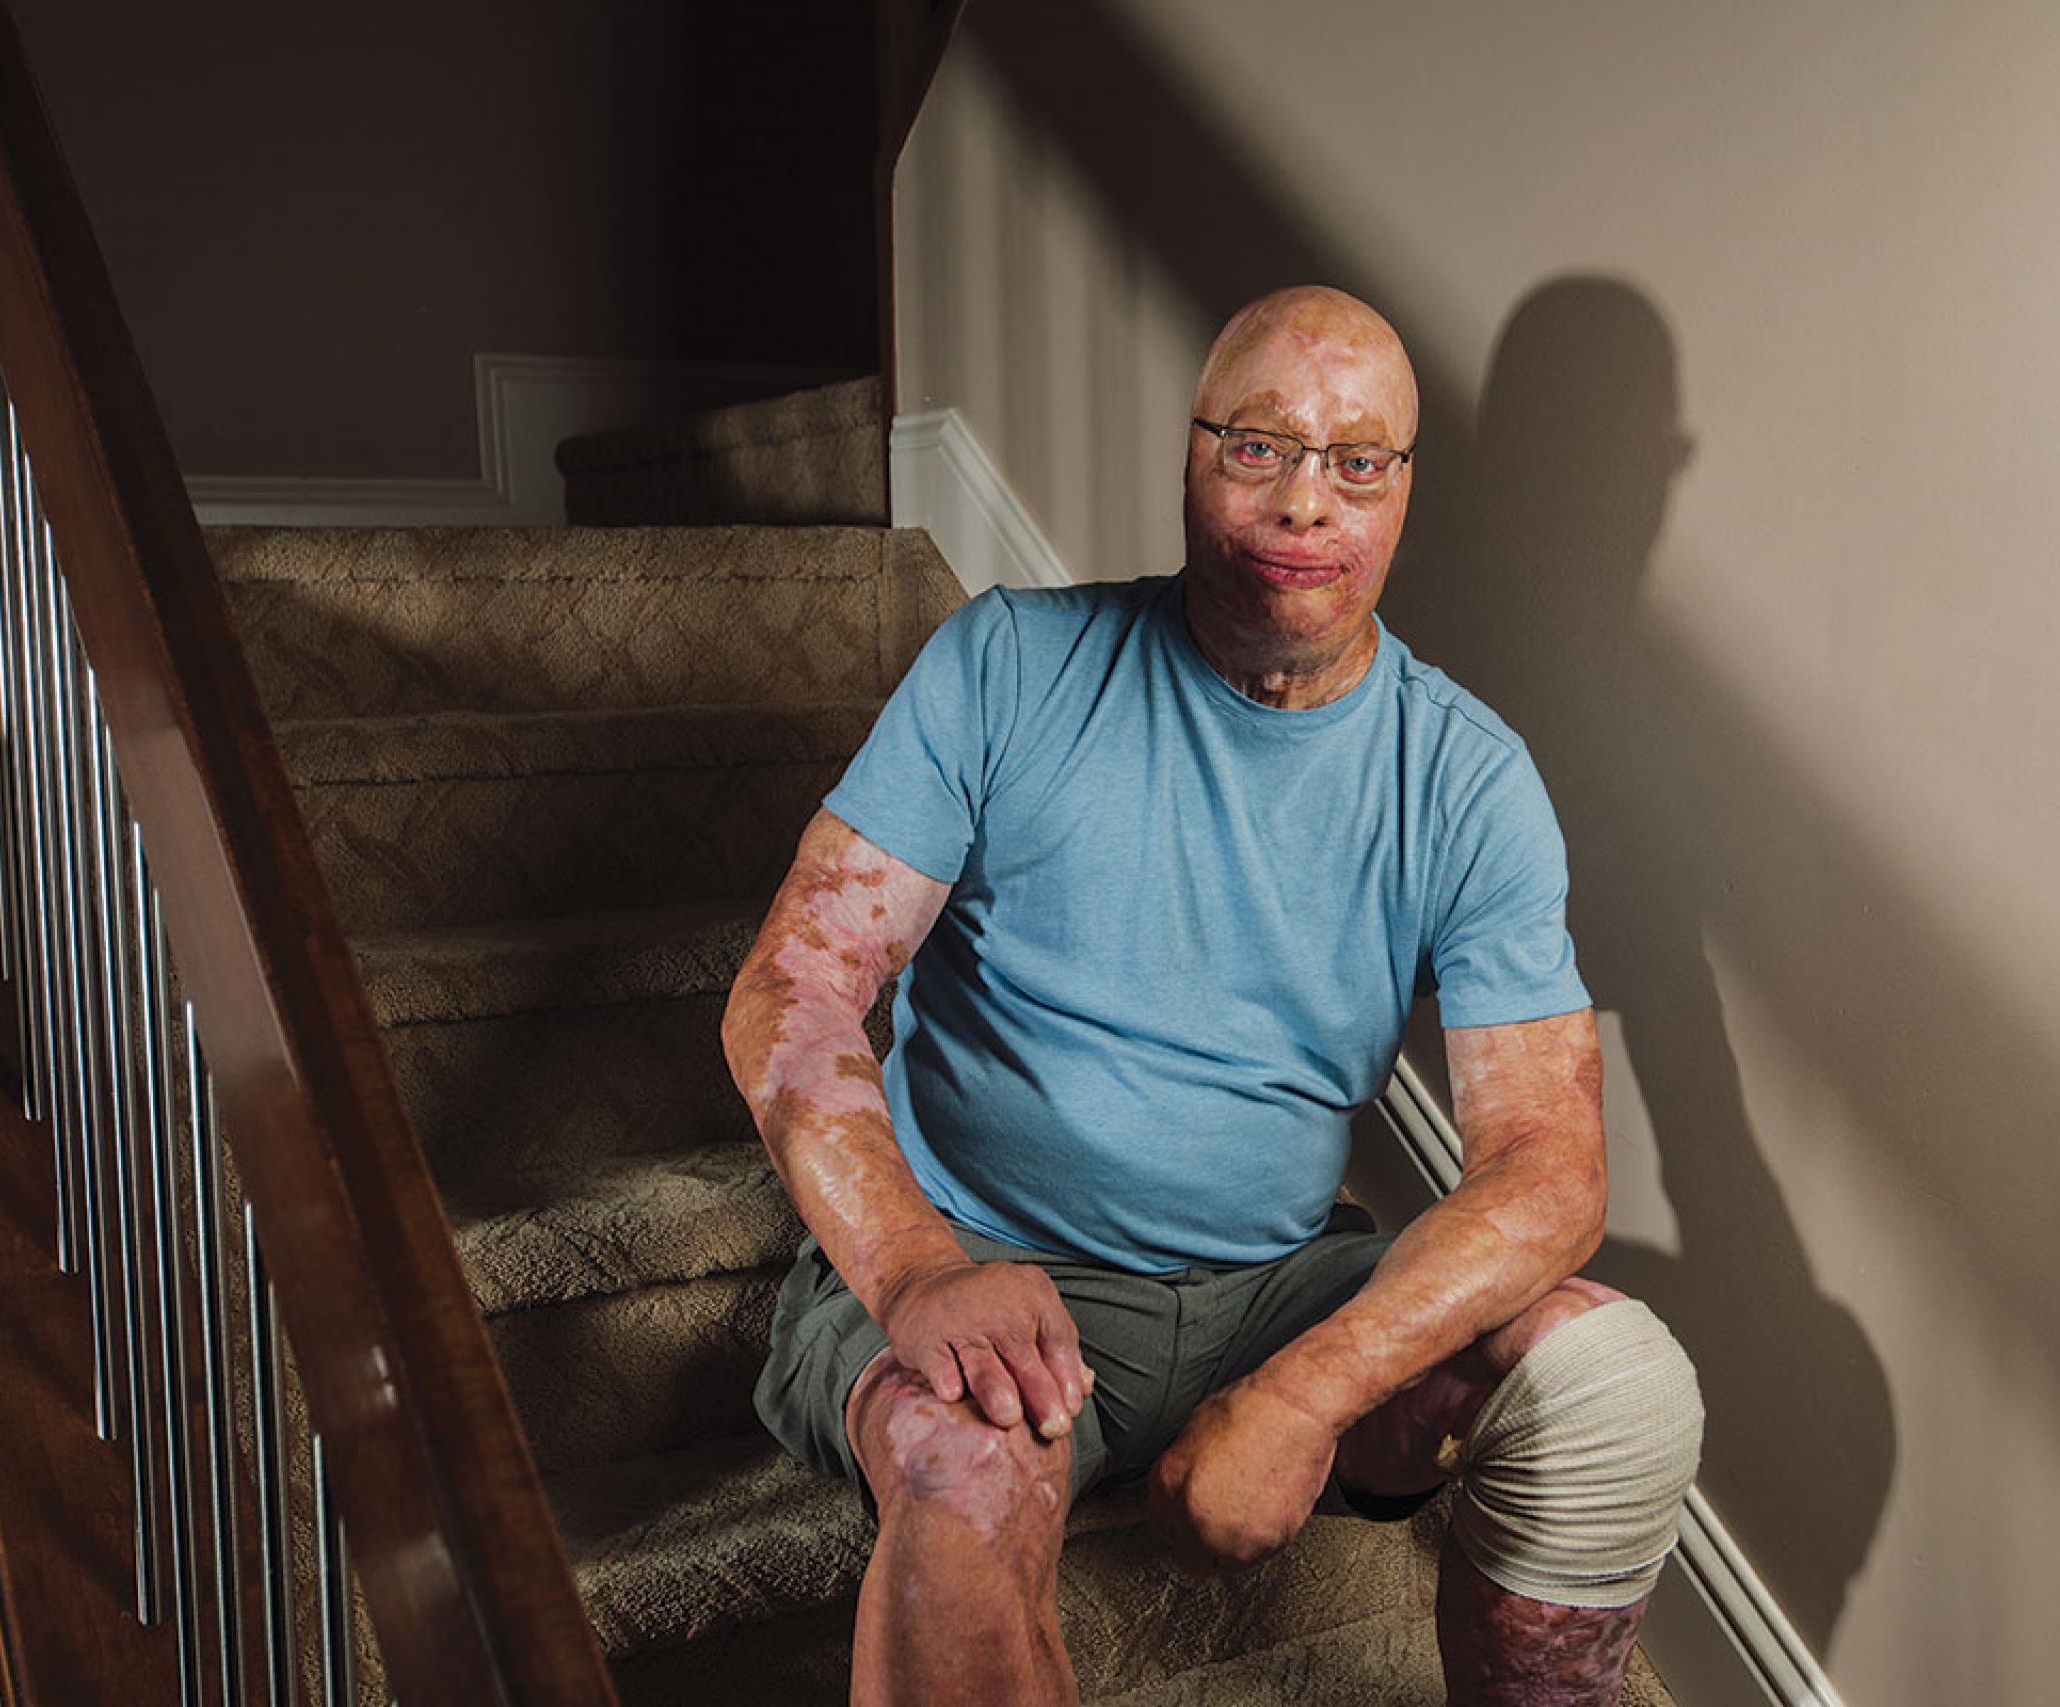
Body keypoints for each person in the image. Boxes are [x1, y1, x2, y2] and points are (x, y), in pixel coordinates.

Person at [723, 285, 1703, 1706]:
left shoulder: (1467, 777)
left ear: (1403, 493)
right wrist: (916, 1268)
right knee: (961, 1467)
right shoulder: (1007, 664)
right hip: (995, 1263)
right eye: (1260, 446)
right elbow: (792, 991)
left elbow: (1549, 1165)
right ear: (1191, 459)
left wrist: (1302, 1393)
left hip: (1280, 1289)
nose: (1308, 502)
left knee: (1614, 1380)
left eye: (1357, 462)